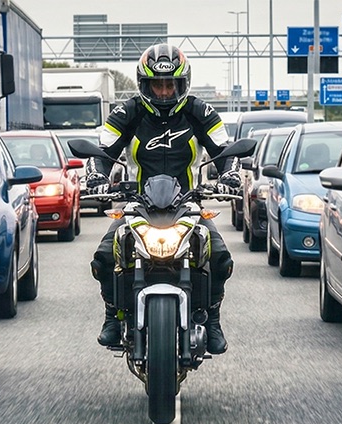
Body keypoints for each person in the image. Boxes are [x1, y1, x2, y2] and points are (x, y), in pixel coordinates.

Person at [84, 44, 241, 354]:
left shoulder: (200, 111)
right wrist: (97, 176)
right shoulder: (128, 112)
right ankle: (112, 316)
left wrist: (230, 174)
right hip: (138, 204)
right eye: (158, 84)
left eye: (171, 84)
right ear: (145, 84)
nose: (165, 91)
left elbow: (224, 150)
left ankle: (212, 320)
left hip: (188, 204)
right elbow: (102, 151)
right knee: (104, 256)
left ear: (183, 84)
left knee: (220, 257)